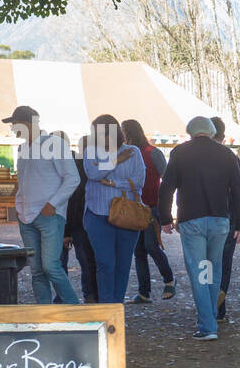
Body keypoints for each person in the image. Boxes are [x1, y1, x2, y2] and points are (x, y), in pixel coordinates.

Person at [158, 116, 240, 339]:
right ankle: (209, 318)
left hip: (192, 220)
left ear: (190, 132)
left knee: (200, 272)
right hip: (219, 221)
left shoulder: (180, 153)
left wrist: (164, 218)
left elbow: (167, 188)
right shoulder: (227, 154)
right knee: (211, 269)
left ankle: (207, 325)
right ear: (211, 131)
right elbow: (239, 192)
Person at [8, 105, 80, 306]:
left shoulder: (54, 144)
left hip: (49, 214)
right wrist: (19, 205)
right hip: (27, 216)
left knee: (50, 267)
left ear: (27, 124)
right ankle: (44, 313)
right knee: (38, 270)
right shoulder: (22, 148)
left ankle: (74, 309)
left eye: (15, 124)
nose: (13, 128)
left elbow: (73, 178)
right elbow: (23, 180)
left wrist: (53, 204)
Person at [82, 114, 146, 304]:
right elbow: (93, 173)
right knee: (105, 263)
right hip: (97, 214)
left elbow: (139, 180)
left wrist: (111, 182)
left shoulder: (133, 151)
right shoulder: (90, 151)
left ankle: (117, 306)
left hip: (128, 215)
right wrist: (115, 160)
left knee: (123, 264)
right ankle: (107, 306)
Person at [123, 118, 175, 303]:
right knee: (139, 251)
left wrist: (165, 209)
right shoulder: (125, 154)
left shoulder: (153, 153)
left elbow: (166, 180)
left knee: (152, 246)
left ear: (128, 133)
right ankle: (144, 292)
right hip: (133, 208)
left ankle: (169, 279)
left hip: (152, 207)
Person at [213, 117, 240, 321]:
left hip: (202, 218)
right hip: (229, 218)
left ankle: (207, 303)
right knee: (223, 263)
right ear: (224, 136)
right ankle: (219, 308)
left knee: (206, 262)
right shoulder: (231, 157)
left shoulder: (193, 155)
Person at [60, 136, 97, 303]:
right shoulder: (83, 166)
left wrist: (67, 230)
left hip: (76, 222)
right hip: (82, 222)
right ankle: (90, 296)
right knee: (88, 263)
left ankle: (65, 298)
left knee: (83, 262)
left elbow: (72, 200)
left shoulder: (76, 166)